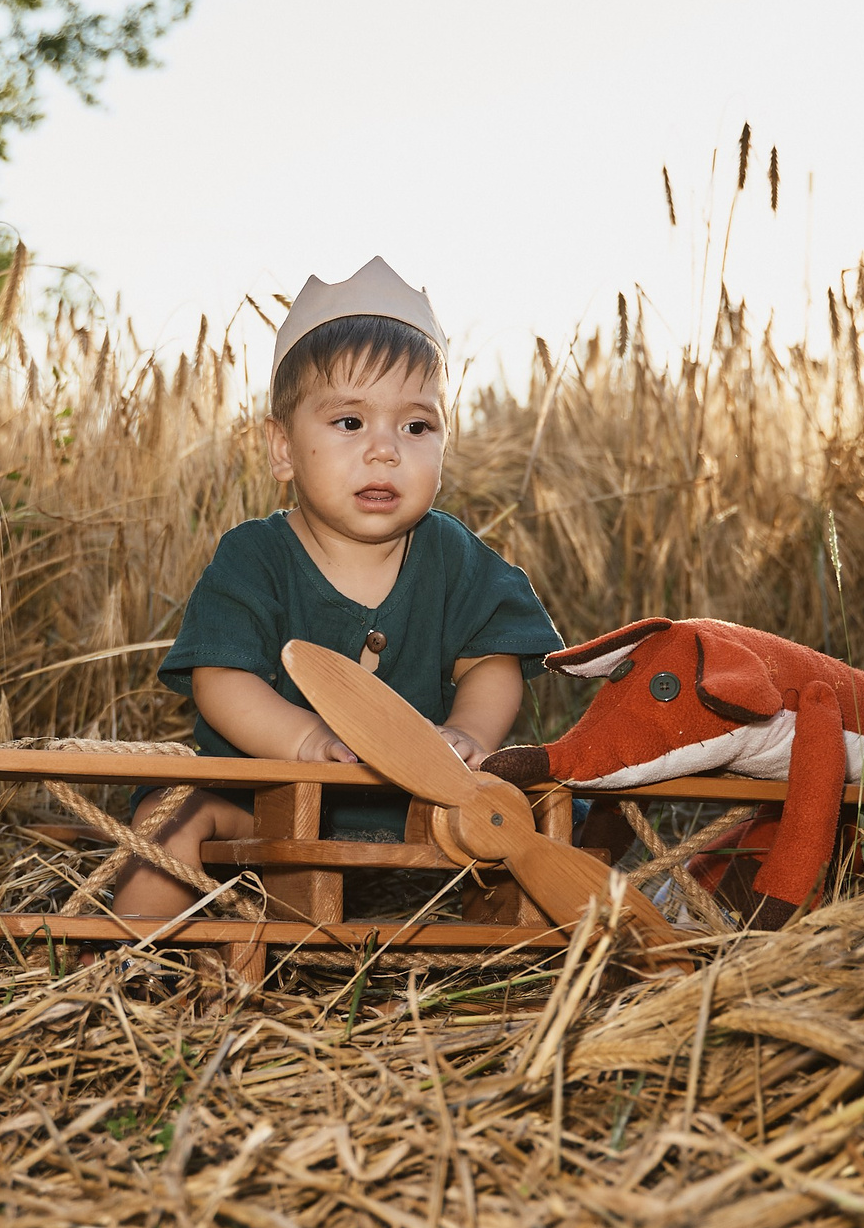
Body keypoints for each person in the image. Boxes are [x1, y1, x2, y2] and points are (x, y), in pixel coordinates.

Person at [110, 258, 564, 918]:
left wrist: (468, 729)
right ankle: (126, 968)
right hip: (260, 819)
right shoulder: (255, 557)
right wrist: (304, 739)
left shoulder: (457, 558)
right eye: (350, 423)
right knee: (170, 816)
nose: (385, 450)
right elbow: (222, 679)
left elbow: (490, 662)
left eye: (417, 426)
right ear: (283, 448)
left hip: (426, 823)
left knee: (555, 814)